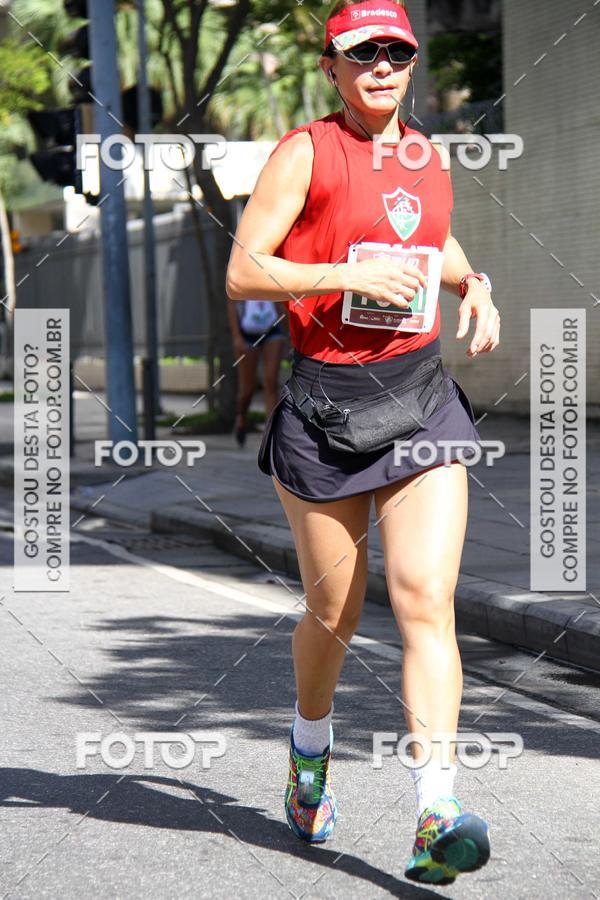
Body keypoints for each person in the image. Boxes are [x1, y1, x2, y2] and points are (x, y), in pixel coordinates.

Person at [226, 0, 500, 886]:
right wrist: (344, 272)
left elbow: (431, 240)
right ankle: (310, 757)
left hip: (419, 399)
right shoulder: (305, 151)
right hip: (326, 412)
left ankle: (436, 811)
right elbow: (243, 270)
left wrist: (477, 283)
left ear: (411, 62)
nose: (381, 65)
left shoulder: (425, 154)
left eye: (396, 51)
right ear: (332, 66)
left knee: (425, 596)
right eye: (362, 53)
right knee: (335, 615)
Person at [227, 299, 287, 446]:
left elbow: (281, 300)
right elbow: (232, 303)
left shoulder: (273, 275)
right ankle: (241, 417)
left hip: (272, 329)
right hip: (247, 332)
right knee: (247, 387)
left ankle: (270, 432)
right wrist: (236, 337)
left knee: (271, 381)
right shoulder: (241, 276)